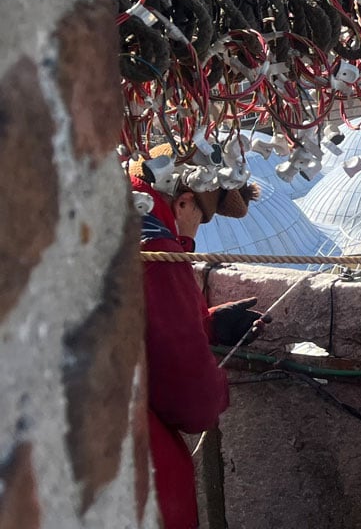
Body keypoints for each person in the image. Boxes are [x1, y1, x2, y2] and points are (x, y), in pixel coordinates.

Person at [128, 144, 264, 529]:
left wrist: (206, 325)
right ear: (185, 202)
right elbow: (190, 397)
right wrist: (218, 387)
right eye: (200, 220)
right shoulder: (155, 245)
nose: (194, 234)